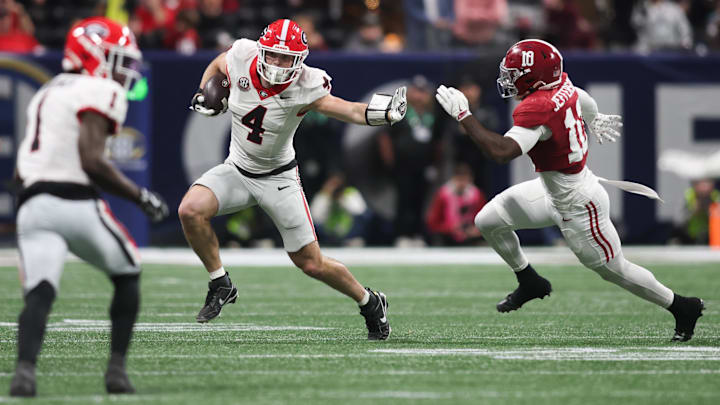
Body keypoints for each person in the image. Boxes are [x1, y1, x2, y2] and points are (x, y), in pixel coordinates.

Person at [435, 39, 705, 341]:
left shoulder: (537, 107)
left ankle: (683, 306)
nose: (508, 80)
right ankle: (529, 280)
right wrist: (593, 117)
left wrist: (464, 117)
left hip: (579, 202)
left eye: (514, 73)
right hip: (552, 189)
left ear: (535, 76)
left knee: (614, 269)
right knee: (488, 220)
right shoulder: (558, 84)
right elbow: (580, 96)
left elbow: (502, 151)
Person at [184, 19, 406, 340]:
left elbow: (347, 110)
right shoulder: (242, 55)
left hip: (278, 179)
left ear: (299, 61)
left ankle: (370, 302)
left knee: (311, 263)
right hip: (237, 169)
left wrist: (382, 114)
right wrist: (206, 91)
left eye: (287, 59)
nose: (277, 64)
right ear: (261, 51)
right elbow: (218, 64)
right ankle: (220, 282)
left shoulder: (306, 84)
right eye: (272, 55)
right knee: (190, 210)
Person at [9, 17, 169, 397]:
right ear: (94, 55)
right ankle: (116, 372)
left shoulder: (48, 91)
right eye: (117, 59)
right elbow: (92, 161)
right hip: (75, 203)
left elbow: (20, 171)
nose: (124, 70)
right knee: (128, 271)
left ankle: (24, 374)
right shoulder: (99, 89)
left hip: (33, 204)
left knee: (40, 290)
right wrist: (140, 197)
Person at [426, 163, 487, 245]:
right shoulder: (443, 194)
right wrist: (449, 228)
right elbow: (432, 223)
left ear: (470, 180)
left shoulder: (476, 195)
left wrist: (476, 230)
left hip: (470, 239)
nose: (462, 184)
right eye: (459, 180)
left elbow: (484, 221)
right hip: (447, 239)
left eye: (465, 180)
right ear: (453, 179)